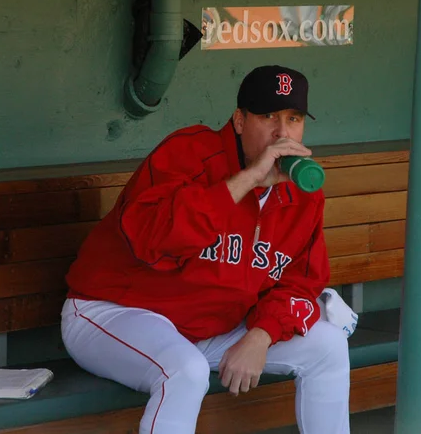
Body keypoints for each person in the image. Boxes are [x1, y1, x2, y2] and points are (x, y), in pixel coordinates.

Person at [61, 65, 351, 434]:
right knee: (185, 371)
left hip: (209, 329)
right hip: (111, 313)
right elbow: (153, 239)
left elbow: (300, 284)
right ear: (239, 120)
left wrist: (261, 336)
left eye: (293, 119)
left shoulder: (302, 194)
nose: (282, 132)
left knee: (327, 345)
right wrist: (247, 180)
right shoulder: (188, 153)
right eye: (268, 116)